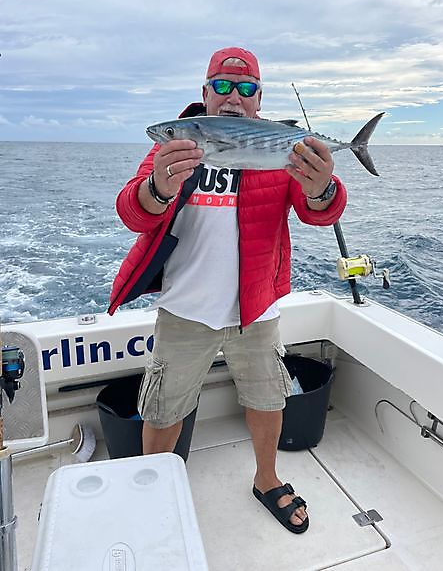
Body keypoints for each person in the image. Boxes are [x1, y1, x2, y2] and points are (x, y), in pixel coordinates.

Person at [109, 47, 347, 534]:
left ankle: (267, 479)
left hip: (256, 305)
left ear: (258, 99)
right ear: (204, 94)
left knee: (267, 398)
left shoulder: (284, 147)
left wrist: (324, 186)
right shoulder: (174, 145)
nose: (232, 96)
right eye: (220, 86)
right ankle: (153, 485)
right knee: (164, 405)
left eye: (243, 88)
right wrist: (157, 185)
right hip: (184, 308)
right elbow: (133, 213)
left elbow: (319, 211)